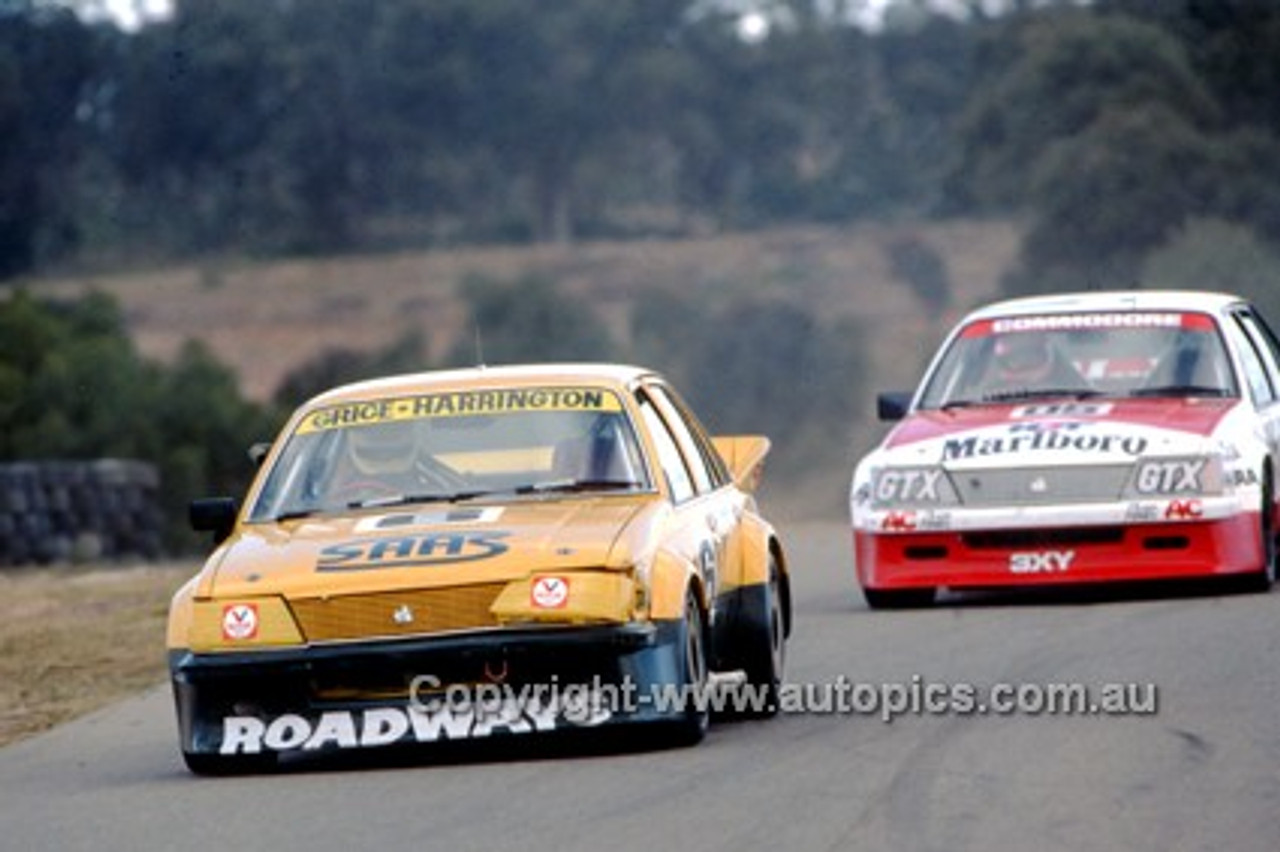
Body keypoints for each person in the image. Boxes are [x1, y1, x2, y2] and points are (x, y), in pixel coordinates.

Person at [986, 333, 1085, 391]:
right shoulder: (989, 393)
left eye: (1028, 355)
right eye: (1013, 359)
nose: (1022, 362)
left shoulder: (1072, 387)